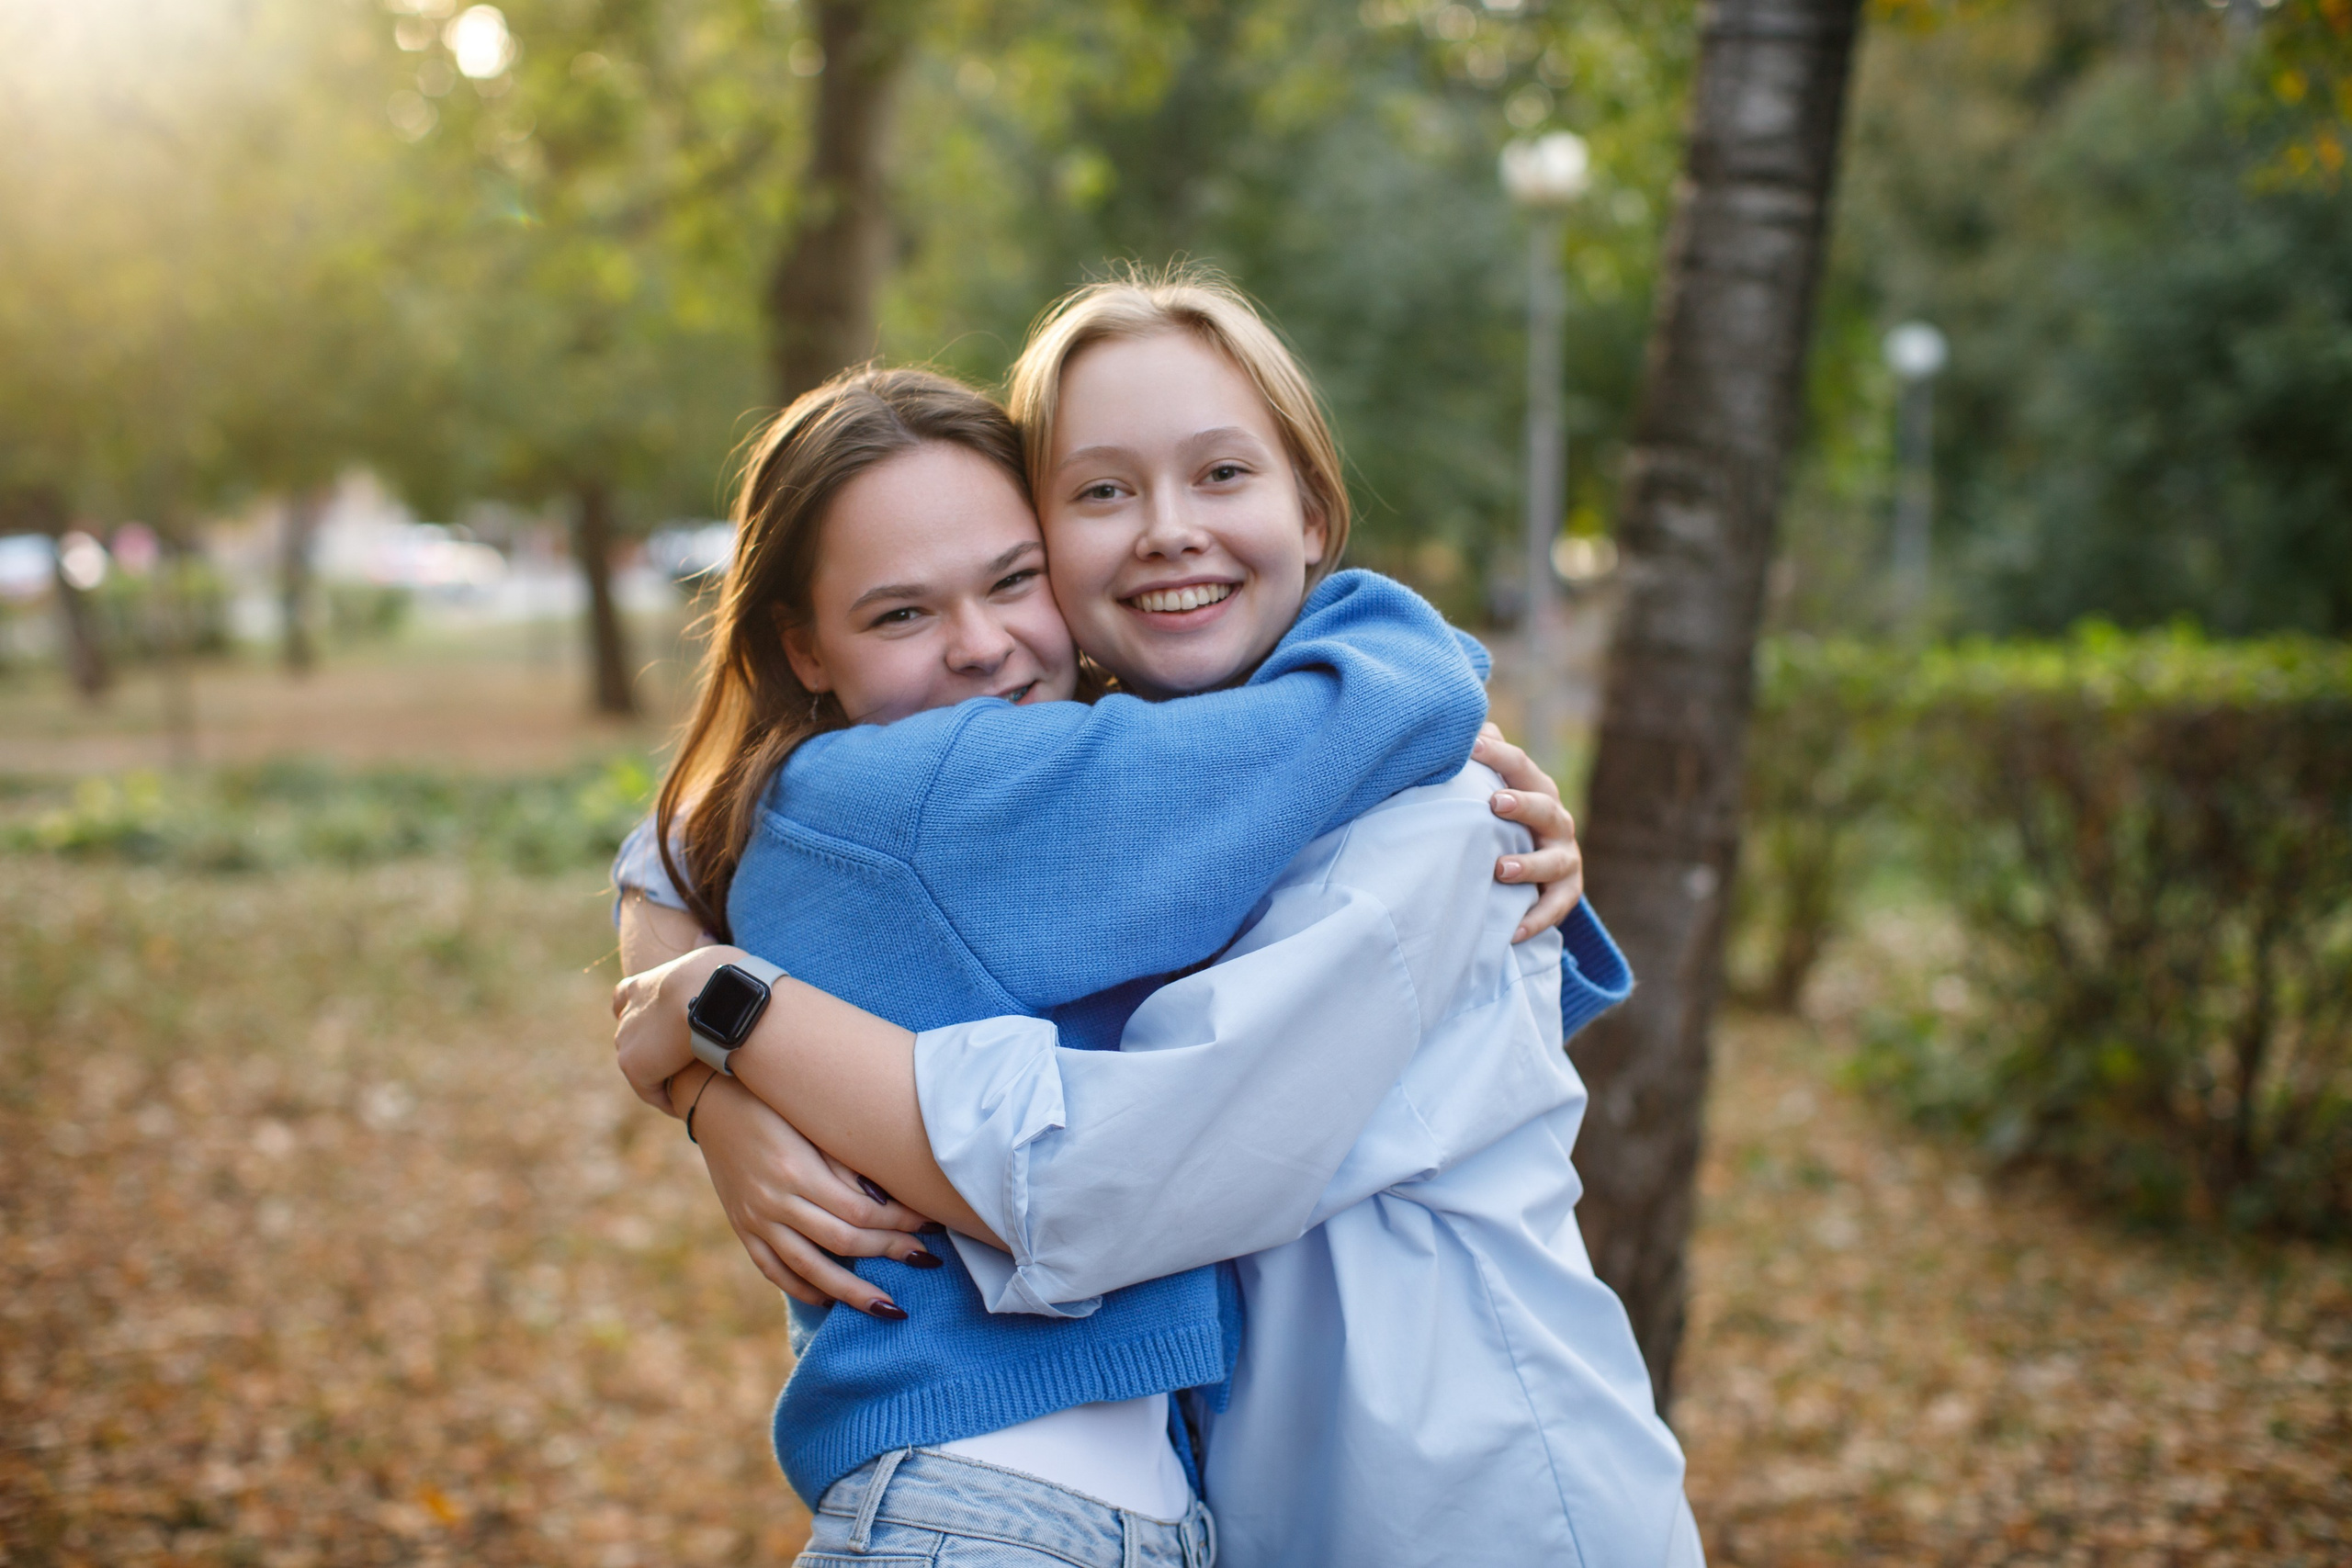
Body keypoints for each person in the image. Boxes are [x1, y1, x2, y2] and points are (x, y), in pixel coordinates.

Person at [610, 323, 1595, 1567]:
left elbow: (666, 846)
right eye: (902, 611)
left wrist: (701, 1041)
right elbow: (1389, 699)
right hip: (997, 1505)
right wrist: (1430, 676)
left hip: (1076, 1502)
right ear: (803, 648)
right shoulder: (953, 782)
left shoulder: (836, 794)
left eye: (1011, 581)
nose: (976, 644)